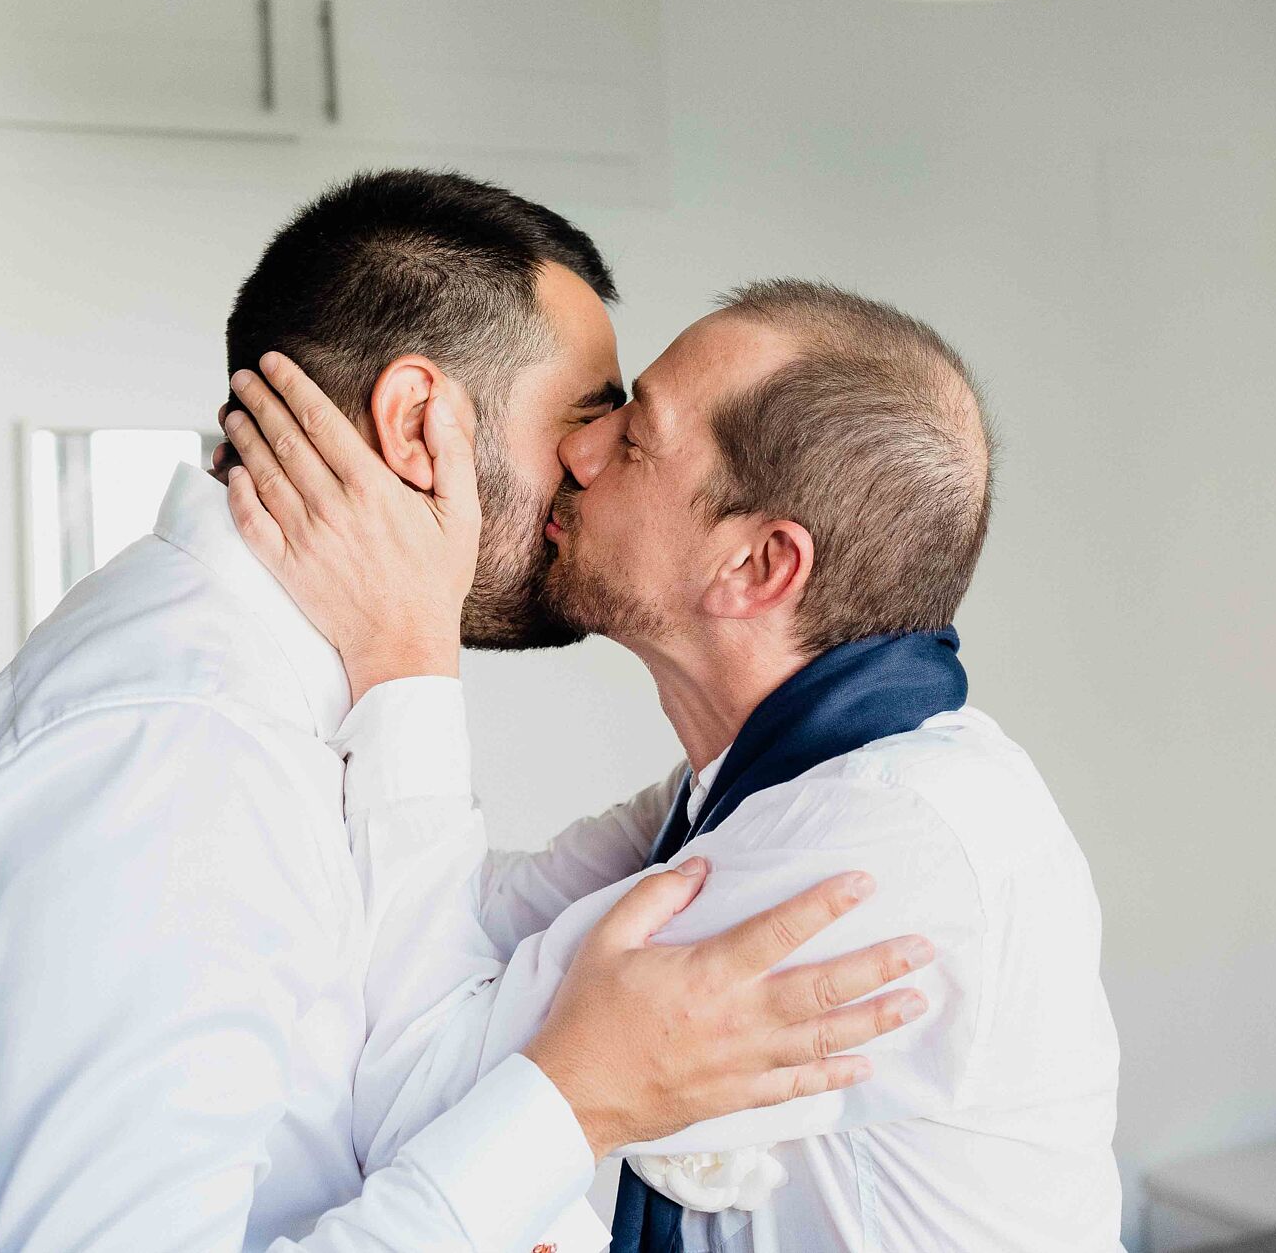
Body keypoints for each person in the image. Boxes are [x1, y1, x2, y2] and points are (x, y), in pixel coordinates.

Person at [0, 171, 934, 1253]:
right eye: (580, 417)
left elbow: (423, 936)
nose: (589, 462)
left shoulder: (284, 699)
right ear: (418, 425)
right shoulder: (179, 746)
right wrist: (570, 1107)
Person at [220, 279, 1125, 1252]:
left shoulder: (874, 840)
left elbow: (420, 1102)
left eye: (634, 437)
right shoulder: (744, 789)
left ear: (755, 567)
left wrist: (403, 654)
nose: (578, 448)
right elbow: (455, 934)